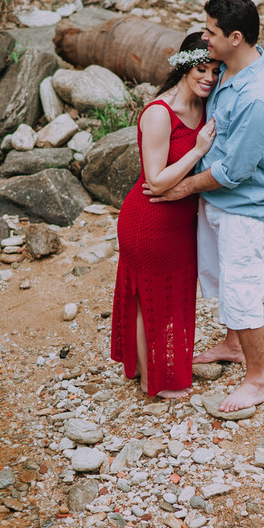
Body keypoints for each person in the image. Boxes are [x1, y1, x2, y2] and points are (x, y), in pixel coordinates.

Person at [146, 0, 264, 412]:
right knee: (222, 277)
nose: (204, 38)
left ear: (236, 37)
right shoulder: (226, 67)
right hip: (219, 203)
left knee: (243, 287)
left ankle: (256, 380)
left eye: (210, 32)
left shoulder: (257, 97)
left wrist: (183, 187)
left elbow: (234, 172)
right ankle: (232, 344)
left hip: (242, 207)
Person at [111, 32, 219, 399]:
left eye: (214, 71)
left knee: (170, 298)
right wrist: (198, 149)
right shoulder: (160, 113)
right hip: (149, 220)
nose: (208, 77)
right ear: (184, 67)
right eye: (201, 69)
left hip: (179, 223)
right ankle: (149, 381)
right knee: (149, 298)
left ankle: (152, 370)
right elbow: (156, 181)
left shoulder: (204, 106)